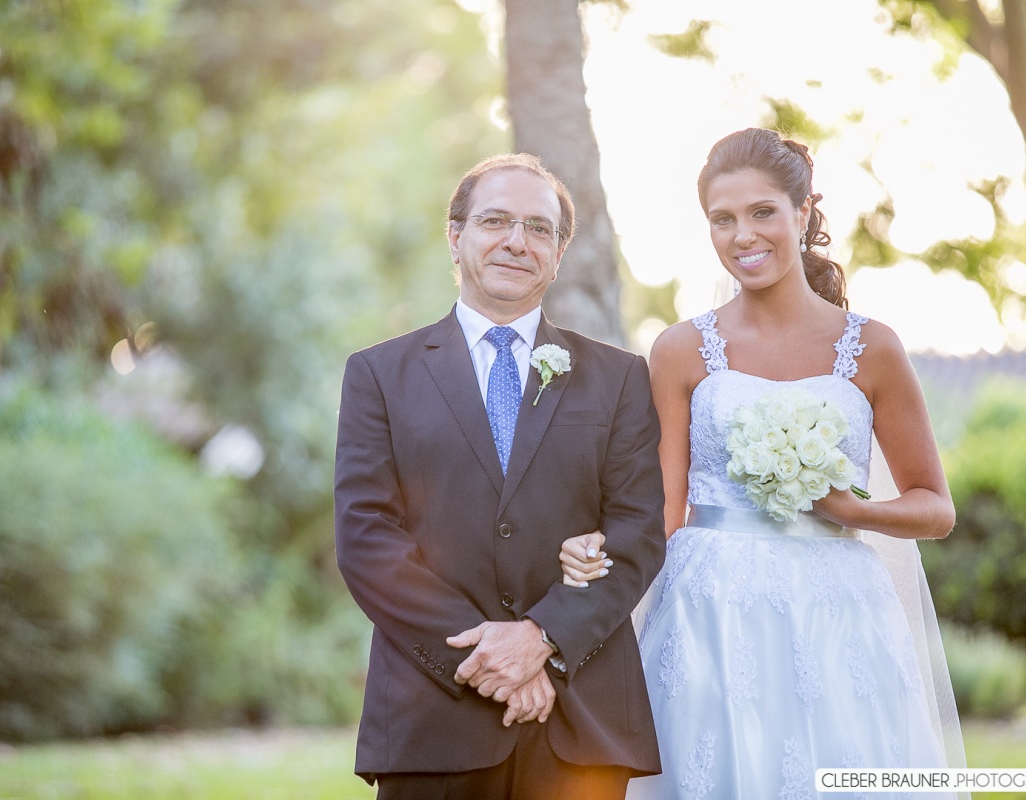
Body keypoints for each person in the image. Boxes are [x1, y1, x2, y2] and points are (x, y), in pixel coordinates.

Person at [559, 128, 965, 798]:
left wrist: (854, 510)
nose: (742, 236)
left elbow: (935, 506)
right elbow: (662, 512)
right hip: (710, 613)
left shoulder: (873, 349)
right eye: (722, 219)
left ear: (804, 213)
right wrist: (587, 574)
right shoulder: (681, 350)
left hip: (838, 613)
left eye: (762, 212)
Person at [334, 152, 667, 799]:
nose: (518, 241)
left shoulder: (620, 378)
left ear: (560, 251)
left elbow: (637, 534)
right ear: (455, 237)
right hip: (432, 718)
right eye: (496, 221)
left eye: (539, 228)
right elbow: (368, 540)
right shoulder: (379, 375)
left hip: (580, 717)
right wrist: (487, 661)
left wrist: (543, 638)